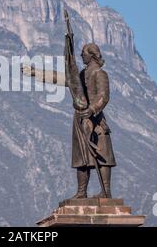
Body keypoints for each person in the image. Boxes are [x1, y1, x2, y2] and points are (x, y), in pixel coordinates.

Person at [22, 43, 116, 198]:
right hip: (80, 121)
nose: (81, 56)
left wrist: (91, 110)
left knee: (103, 156)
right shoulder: (80, 76)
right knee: (82, 157)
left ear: (91, 55)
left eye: (83, 53)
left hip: (96, 120)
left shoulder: (100, 74)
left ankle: (106, 192)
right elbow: (61, 78)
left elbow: (103, 96)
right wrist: (35, 72)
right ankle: (81, 192)